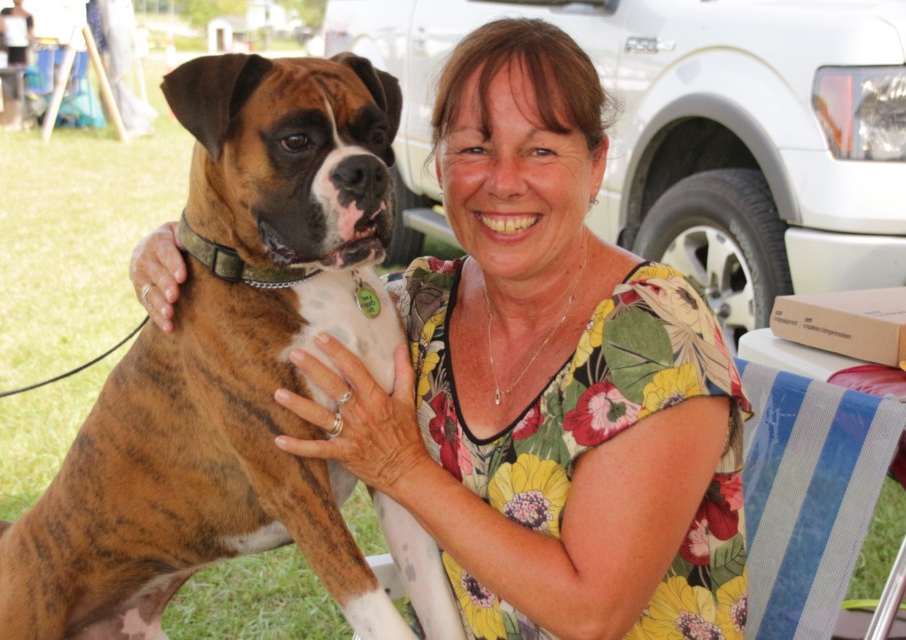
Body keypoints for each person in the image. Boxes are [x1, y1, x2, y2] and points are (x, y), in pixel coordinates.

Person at [129, 18, 750, 640]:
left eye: (539, 150)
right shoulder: (425, 306)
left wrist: (401, 468)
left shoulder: (655, 334)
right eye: (474, 149)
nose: (503, 182)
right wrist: (169, 249)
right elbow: (268, 285)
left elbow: (591, 615)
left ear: (595, 165)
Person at [0, 0, 34, 68]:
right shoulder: (5, 12)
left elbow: (31, 34)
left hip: (21, 51)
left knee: (19, 70)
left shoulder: (28, 16)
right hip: (6, 49)